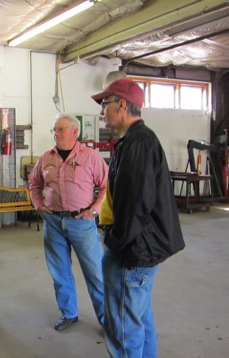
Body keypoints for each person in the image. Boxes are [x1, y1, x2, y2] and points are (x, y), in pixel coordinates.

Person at [91, 78, 185, 357]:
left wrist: (116, 244)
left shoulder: (138, 144)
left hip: (133, 252)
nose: (101, 112)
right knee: (138, 318)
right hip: (139, 247)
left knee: (122, 327)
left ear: (121, 105)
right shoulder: (134, 141)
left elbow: (136, 206)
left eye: (105, 104)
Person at [28, 114, 108, 331]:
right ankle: (69, 313)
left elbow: (106, 185)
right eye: (54, 130)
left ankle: (106, 321)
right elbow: (33, 183)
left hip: (81, 222)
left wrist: (94, 209)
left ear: (75, 131)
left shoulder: (91, 157)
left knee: (96, 274)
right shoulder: (46, 158)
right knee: (60, 272)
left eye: (60, 130)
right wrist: (38, 205)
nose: (56, 134)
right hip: (53, 222)